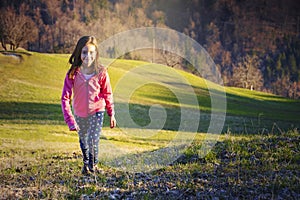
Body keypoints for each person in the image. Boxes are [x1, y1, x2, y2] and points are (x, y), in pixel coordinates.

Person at [61, 36, 116, 175]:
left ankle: (93, 166)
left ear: (96, 53)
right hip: (79, 113)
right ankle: (86, 164)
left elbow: (107, 93)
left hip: (97, 111)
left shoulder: (101, 72)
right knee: (83, 141)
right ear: (79, 53)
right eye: (84, 52)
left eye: (92, 52)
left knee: (93, 139)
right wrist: (70, 120)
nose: (88, 56)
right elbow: (65, 98)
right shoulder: (73, 73)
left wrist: (111, 113)